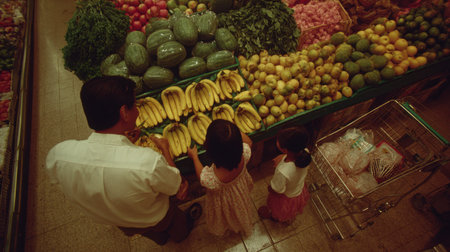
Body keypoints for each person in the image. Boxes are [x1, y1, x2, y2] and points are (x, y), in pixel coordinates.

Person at [46, 76, 199, 245]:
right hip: (158, 216)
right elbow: (175, 186)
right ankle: (181, 235)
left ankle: (162, 240)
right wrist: (165, 150)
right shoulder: (147, 163)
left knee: (155, 235)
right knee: (176, 226)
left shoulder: (59, 155)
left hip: (124, 224)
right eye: (134, 106)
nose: (139, 112)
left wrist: (127, 145)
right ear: (124, 113)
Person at [186, 119, 255, 236]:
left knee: (226, 216)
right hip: (239, 193)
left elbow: (201, 175)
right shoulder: (245, 154)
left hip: (223, 203)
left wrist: (194, 157)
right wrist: (233, 130)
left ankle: (228, 227)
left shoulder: (212, 180)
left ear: (211, 151)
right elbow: (249, 142)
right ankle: (238, 225)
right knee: (238, 213)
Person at [258, 126, 312, 223]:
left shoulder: (283, 171)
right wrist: (284, 157)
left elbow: (277, 190)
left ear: (284, 149)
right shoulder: (305, 153)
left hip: (285, 198)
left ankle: (273, 216)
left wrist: (270, 188)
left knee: (278, 210)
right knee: (290, 210)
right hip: (297, 190)